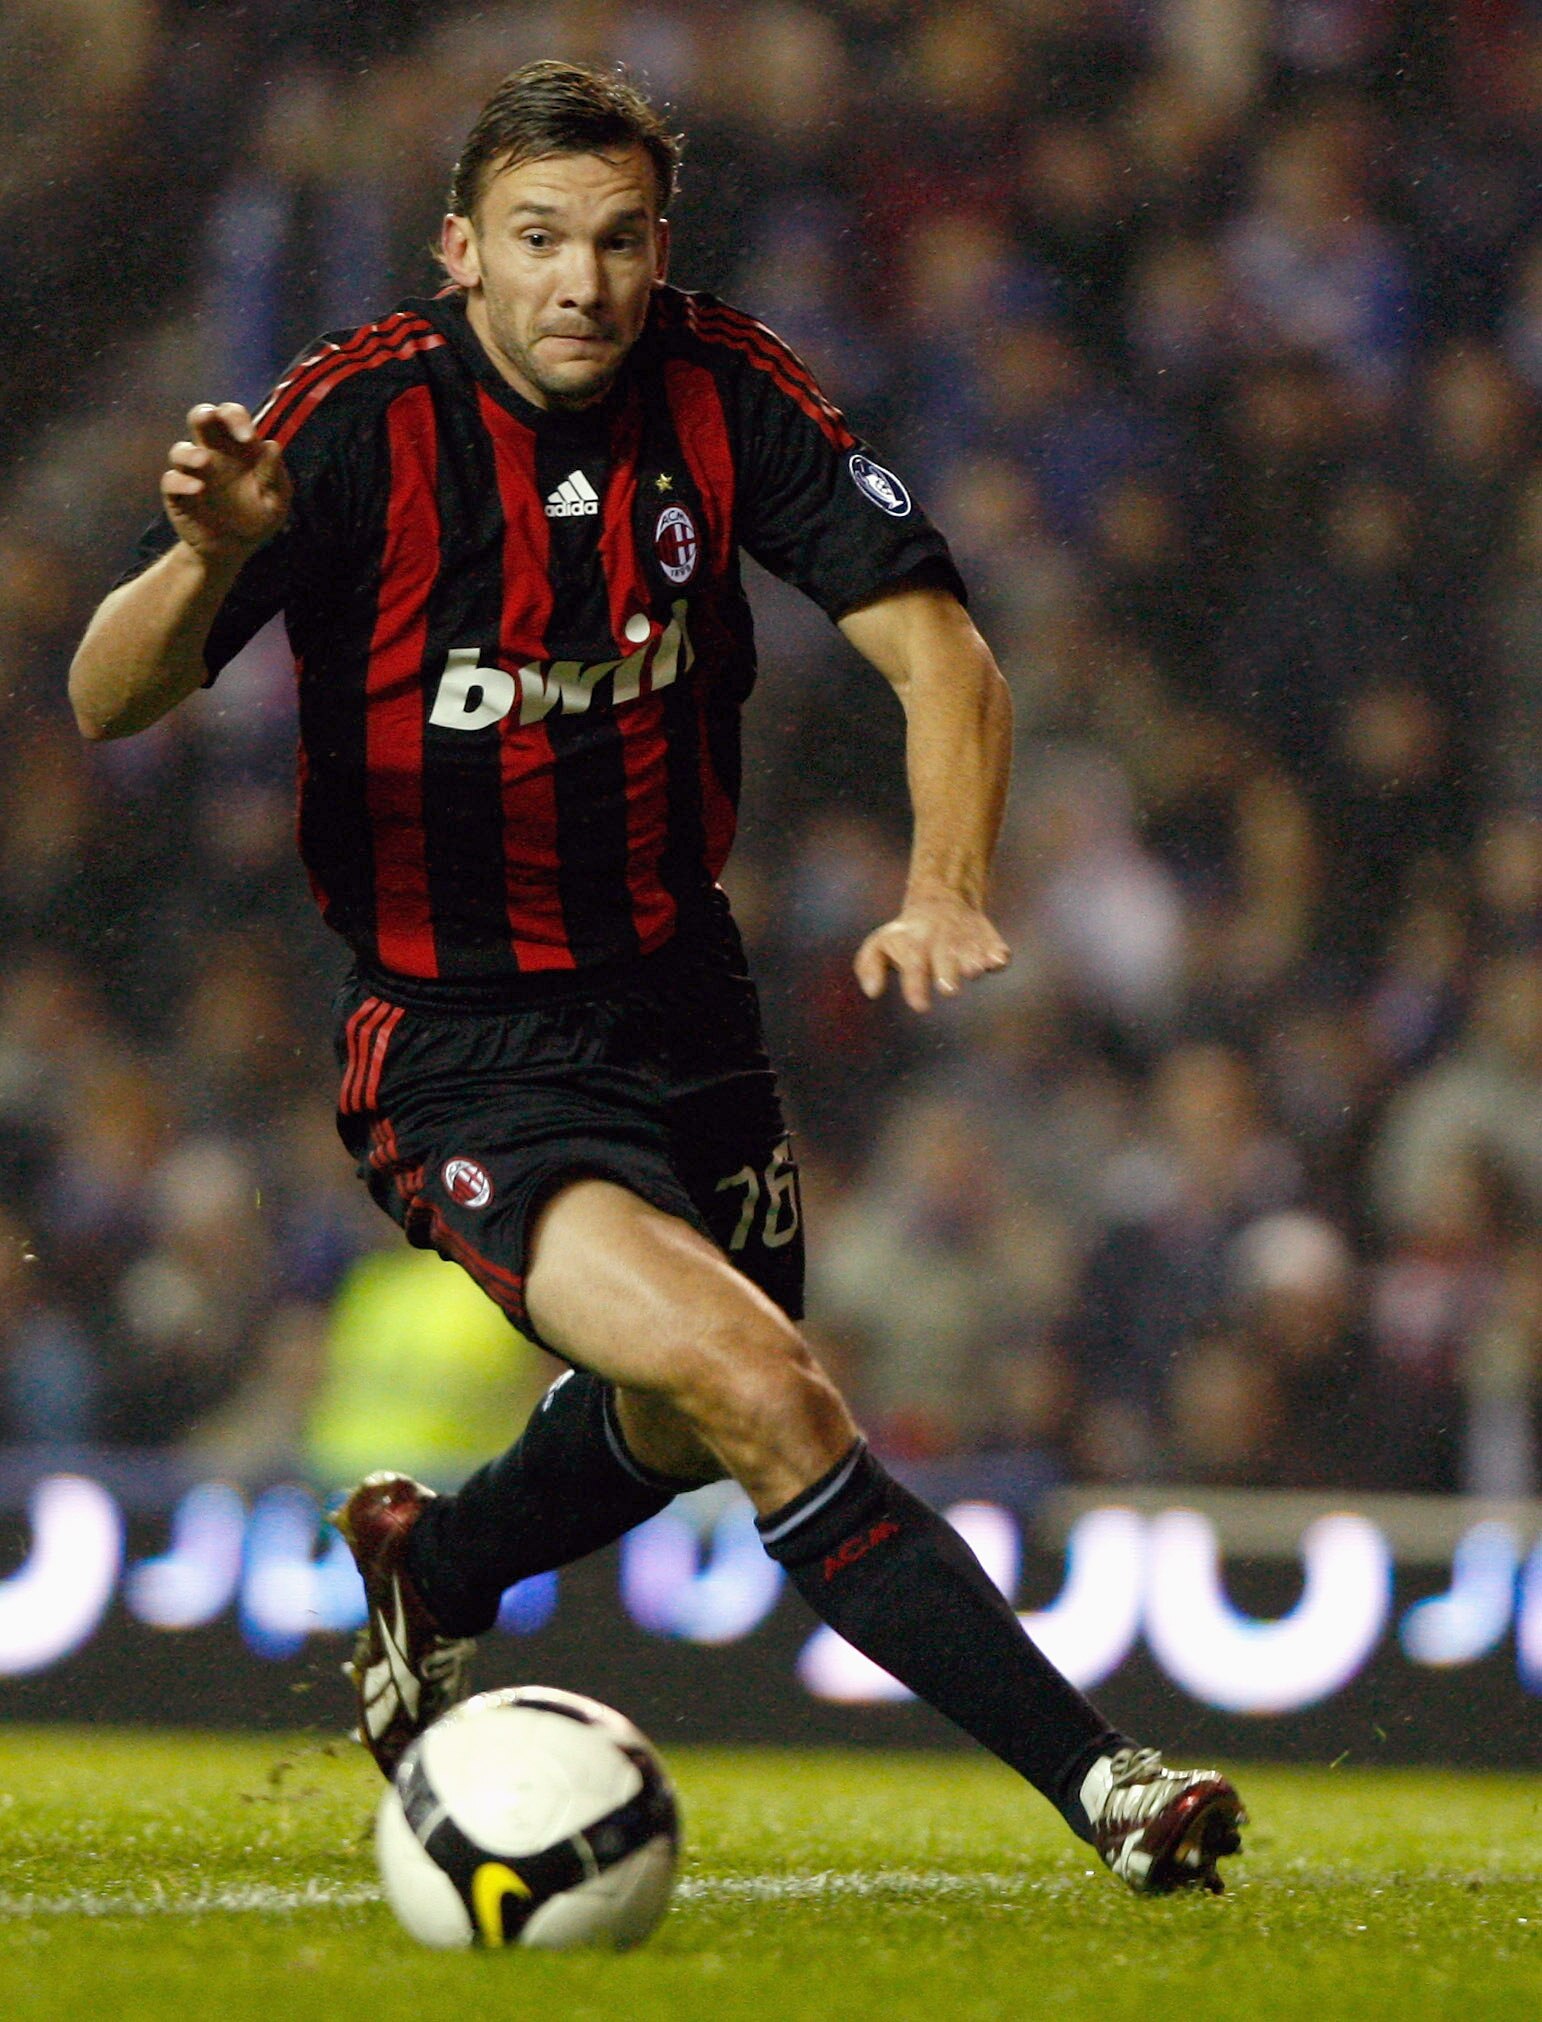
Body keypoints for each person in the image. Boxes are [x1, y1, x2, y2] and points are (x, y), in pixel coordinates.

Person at [70, 60, 1243, 1896]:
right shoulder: (360, 419)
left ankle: (436, 1568)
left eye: (618, 239)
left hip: (680, 1000)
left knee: (691, 1414)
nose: (583, 283)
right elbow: (103, 694)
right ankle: (1111, 1786)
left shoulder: (724, 389)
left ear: (658, 248)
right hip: (460, 1039)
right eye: (538, 239)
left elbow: (948, 662)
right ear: (462, 248)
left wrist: (942, 884)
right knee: (766, 1388)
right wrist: (208, 559)